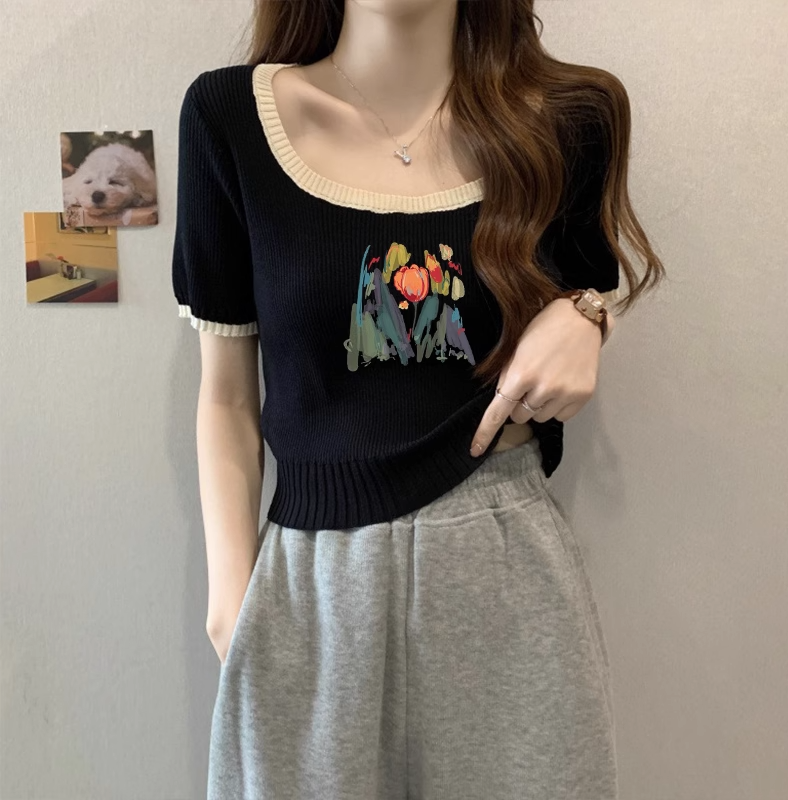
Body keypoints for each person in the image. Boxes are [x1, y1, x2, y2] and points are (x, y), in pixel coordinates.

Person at [172, 1, 664, 798]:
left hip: (505, 573)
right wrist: (230, 597)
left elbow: (589, 283)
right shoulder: (230, 119)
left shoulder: (569, 119)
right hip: (312, 586)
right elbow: (227, 397)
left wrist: (588, 316)